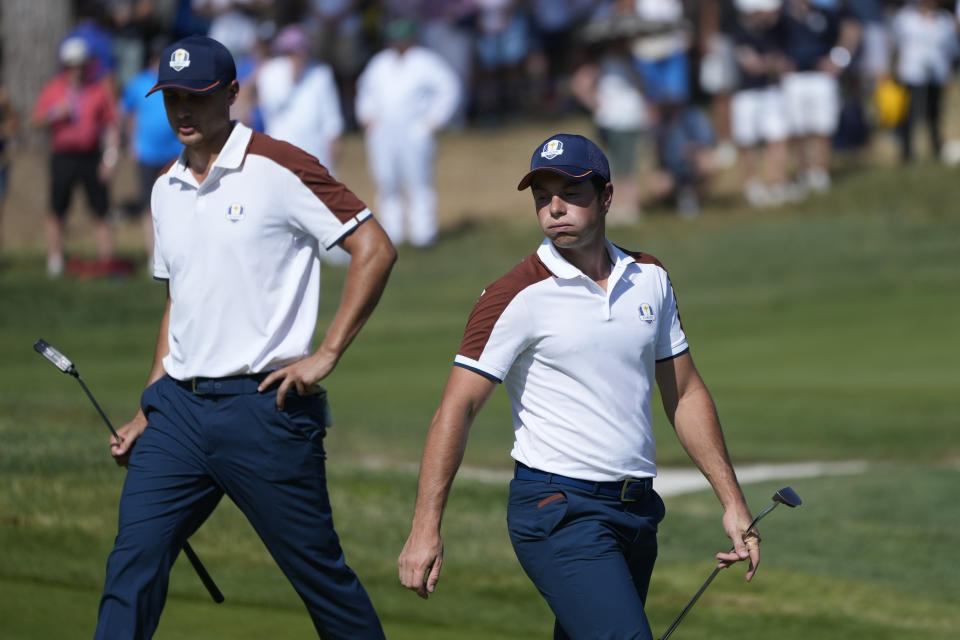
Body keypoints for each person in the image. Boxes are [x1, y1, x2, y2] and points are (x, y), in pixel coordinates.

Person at [398, 133, 760, 640]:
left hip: (637, 513)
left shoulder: (650, 278)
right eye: (543, 197)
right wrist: (424, 528)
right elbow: (455, 411)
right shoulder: (514, 295)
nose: (555, 209)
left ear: (607, 196)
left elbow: (685, 393)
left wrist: (732, 502)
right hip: (559, 512)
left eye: (570, 193)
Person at [96, 35, 396, 639]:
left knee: (321, 580)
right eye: (172, 97)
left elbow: (374, 247)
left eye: (198, 97)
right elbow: (179, 303)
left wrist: (327, 354)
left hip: (265, 411)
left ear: (233, 94)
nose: (183, 110)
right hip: (176, 412)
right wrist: (145, 408)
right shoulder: (164, 188)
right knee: (133, 566)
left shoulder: (281, 165)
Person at [355, 17, 460, 248]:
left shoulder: (426, 61)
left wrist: (433, 121)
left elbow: (450, 88)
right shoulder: (380, 63)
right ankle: (392, 233)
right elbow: (365, 91)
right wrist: (366, 116)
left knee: (418, 182)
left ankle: (424, 234)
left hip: (414, 130)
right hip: (383, 132)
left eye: (403, 39)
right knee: (387, 181)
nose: (399, 44)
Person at [31, 37, 120, 277]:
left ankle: (106, 260)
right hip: (63, 156)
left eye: (81, 64)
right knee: (57, 208)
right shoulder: (54, 89)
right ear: (65, 65)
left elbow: (111, 125)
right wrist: (54, 113)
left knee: (100, 209)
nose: (77, 69)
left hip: (92, 156)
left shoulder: (97, 90)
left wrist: (110, 159)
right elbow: (35, 120)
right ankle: (55, 259)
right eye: (72, 64)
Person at [119, 37, 184, 265]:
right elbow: (128, 114)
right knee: (150, 205)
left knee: (179, 204)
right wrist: (130, 143)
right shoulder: (137, 84)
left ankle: (177, 254)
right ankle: (152, 256)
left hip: (176, 151)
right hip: (147, 153)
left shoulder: (178, 82)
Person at [890, 0, 958, 163]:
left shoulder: (945, 19)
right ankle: (907, 153)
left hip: (937, 71)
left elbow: (952, 47)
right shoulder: (905, 17)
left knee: (934, 113)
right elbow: (894, 43)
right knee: (909, 114)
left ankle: (936, 148)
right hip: (911, 71)